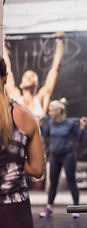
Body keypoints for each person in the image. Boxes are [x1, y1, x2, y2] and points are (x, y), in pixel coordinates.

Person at [0, 56, 45, 228]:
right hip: (15, 210)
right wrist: (14, 158)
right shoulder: (25, 116)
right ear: (5, 77)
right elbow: (37, 169)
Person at [39, 97, 87, 218]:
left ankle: (76, 208)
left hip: (68, 155)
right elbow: (46, 134)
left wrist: (82, 127)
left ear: (58, 111)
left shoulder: (70, 123)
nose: (49, 113)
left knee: (71, 181)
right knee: (53, 183)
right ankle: (48, 208)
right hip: (55, 156)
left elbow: (79, 138)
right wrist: (40, 125)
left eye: (51, 111)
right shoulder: (50, 122)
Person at [4, 32, 64, 122]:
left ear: (37, 84)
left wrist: (59, 41)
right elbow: (7, 68)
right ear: (21, 84)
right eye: (26, 76)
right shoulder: (15, 97)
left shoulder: (41, 99)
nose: (29, 77)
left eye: (32, 76)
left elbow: (54, 69)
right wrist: (2, 44)